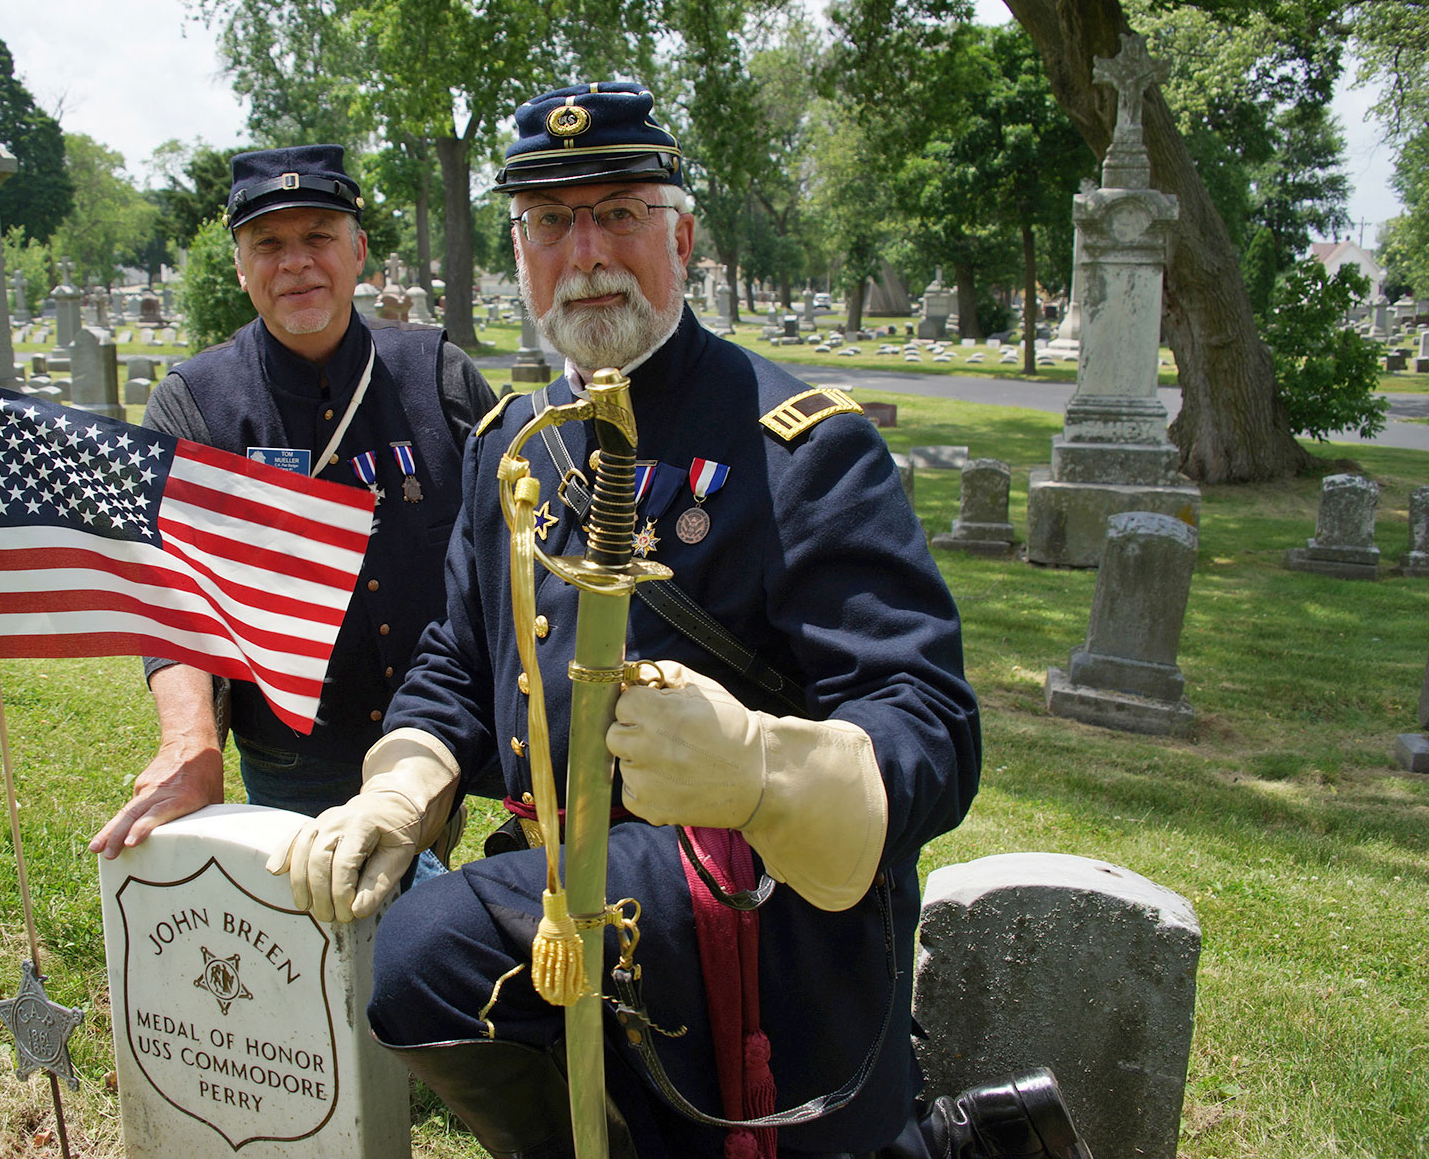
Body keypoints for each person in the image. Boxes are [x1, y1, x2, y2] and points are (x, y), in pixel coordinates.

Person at [268, 86, 1091, 1159]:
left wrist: (761, 765)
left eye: (619, 213)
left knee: (433, 947)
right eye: (551, 222)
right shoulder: (509, 444)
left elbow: (929, 725)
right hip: (565, 905)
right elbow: (460, 658)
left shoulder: (802, 446)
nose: (586, 252)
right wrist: (404, 780)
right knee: (434, 979)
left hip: (764, 924)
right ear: (519, 249)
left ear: (682, 236)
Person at [90, 144, 497, 861]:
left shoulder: (438, 376)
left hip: (449, 737)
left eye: (318, 237)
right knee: (323, 935)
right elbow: (171, 595)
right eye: (268, 244)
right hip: (298, 756)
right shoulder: (195, 406)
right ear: (241, 267)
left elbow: (509, 551)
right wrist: (190, 741)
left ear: (359, 250)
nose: (296, 262)